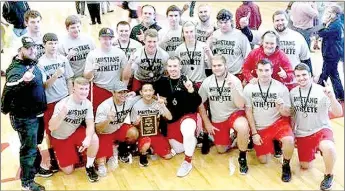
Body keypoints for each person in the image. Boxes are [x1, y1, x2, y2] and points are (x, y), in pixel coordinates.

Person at [1, 36, 46, 191]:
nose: (32, 50)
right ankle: (27, 183)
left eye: (33, 47)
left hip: (36, 114)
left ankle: (35, 168)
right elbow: (8, 92)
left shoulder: (29, 62)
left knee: (34, 145)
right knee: (28, 149)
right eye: (28, 48)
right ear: (20, 50)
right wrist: (23, 82)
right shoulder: (16, 70)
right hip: (25, 118)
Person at [290, 63, 343, 191]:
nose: (301, 78)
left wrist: (332, 97)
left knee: (329, 148)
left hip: (321, 129)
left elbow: (338, 113)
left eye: (304, 75)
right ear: (295, 77)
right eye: (298, 76)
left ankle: (328, 174)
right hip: (303, 133)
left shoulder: (322, 90)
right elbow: (292, 115)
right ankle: (316, 149)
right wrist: (293, 134)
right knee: (304, 166)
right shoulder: (292, 93)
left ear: (310, 75)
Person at [243, 59, 294, 182]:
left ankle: (286, 165)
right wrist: (254, 133)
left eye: (267, 70)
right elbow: (248, 112)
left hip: (278, 124)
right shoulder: (249, 88)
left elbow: (288, 112)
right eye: (261, 70)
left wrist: (281, 108)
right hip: (260, 127)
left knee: (289, 140)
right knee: (263, 160)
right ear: (256, 71)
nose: (264, 73)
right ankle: (271, 143)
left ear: (272, 71)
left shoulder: (281, 87)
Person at [198, 54, 250, 174]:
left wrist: (233, 89)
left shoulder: (235, 81)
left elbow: (241, 105)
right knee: (221, 150)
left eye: (219, 65)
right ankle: (233, 138)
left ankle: (242, 157)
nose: (217, 68)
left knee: (242, 127)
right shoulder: (207, 82)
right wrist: (207, 123)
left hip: (234, 114)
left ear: (225, 66)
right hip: (218, 118)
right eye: (214, 66)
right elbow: (200, 103)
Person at [155, 56, 202, 177]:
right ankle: (194, 140)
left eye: (175, 66)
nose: (172, 69)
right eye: (170, 66)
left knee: (187, 131)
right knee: (180, 148)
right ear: (167, 68)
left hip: (188, 116)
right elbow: (154, 94)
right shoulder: (162, 82)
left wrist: (191, 90)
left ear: (180, 67)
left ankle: (187, 162)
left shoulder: (187, 80)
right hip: (172, 119)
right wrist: (160, 102)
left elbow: (197, 102)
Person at [48, 77, 99, 182]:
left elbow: (90, 124)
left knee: (94, 138)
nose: (84, 92)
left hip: (74, 131)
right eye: (81, 89)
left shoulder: (87, 103)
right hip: (60, 137)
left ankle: (89, 166)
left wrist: (88, 138)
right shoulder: (62, 104)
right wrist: (61, 115)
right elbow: (51, 127)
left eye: (86, 89)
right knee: (68, 171)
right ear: (74, 89)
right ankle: (54, 154)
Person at [37, 33, 74, 176]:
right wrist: (55, 75)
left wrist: (71, 98)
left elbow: (69, 79)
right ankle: (52, 157)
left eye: (55, 43)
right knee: (51, 130)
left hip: (64, 98)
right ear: (44, 45)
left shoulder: (63, 59)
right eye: (50, 43)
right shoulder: (40, 63)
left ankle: (69, 151)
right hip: (50, 102)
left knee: (68, 125)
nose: (53, 46)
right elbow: (43, 86)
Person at [95, 81, 140, 176]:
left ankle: (121, 149)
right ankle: (103, 161)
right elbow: (98, 129)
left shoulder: (128, 100)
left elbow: (142, 94)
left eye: (124, 92)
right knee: (102, 162)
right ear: (113, 92)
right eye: (120, 92)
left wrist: (136, 92)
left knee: (133, 133)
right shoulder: (104, 106)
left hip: (118, 129)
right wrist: (108, 119)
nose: (123, 95)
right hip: (105, 133)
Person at [83, 27, 128, 113]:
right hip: (100, 88)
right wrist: (93, 69)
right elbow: (87, 76)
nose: (108, 41)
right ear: (99, 39)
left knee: (116, 114)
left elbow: (125, 74)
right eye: (104, 39)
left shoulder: (120, 53)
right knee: (99, 113)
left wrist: (123, 88)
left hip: (116, 89)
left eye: (110, 38)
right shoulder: (93, 54)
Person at [131, 83, 175, 167]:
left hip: (155, 133)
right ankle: (143, 154)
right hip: (142, 135)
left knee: (168, 156)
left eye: (150, 90)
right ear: (141, 92)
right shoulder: (136, 106)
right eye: (145, 91)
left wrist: (163, 106)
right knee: (146, 143)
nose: (148, 93)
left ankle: (151, 150)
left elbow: (169, 118)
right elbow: (133, 124)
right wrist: (136, 122)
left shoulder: (157, 104)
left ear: (153, 92)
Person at [207, 9, 251, 83]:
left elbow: (248, 58)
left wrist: (246, 77)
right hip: (218, 76)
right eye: (220, 23)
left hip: (236, 76)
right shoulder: (214, 35)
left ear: (231, 21)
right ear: (217, 23)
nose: (223, 25)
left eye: (225, 22)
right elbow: (210, 56)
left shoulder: (241, 36)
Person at [317, 4, 344, 102]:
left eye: (329, 12)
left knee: (324, 74)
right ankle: (340, 95)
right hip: (333, 53)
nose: (326, 14)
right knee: (333, 74)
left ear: (334, 14)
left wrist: (323, 23)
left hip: (331, 54)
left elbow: (321, 33)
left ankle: (316, 92)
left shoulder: (335, 26)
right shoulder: (337, 23)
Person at [175, 21, 211, 86]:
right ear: (183, 33)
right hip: (185, 83)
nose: (189, 34)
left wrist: (209, 54)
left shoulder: (203, 46)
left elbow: (210, 66)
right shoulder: (178, 49)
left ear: (195, 32)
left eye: (191, 31)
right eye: (186, 32)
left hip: (201, 82)